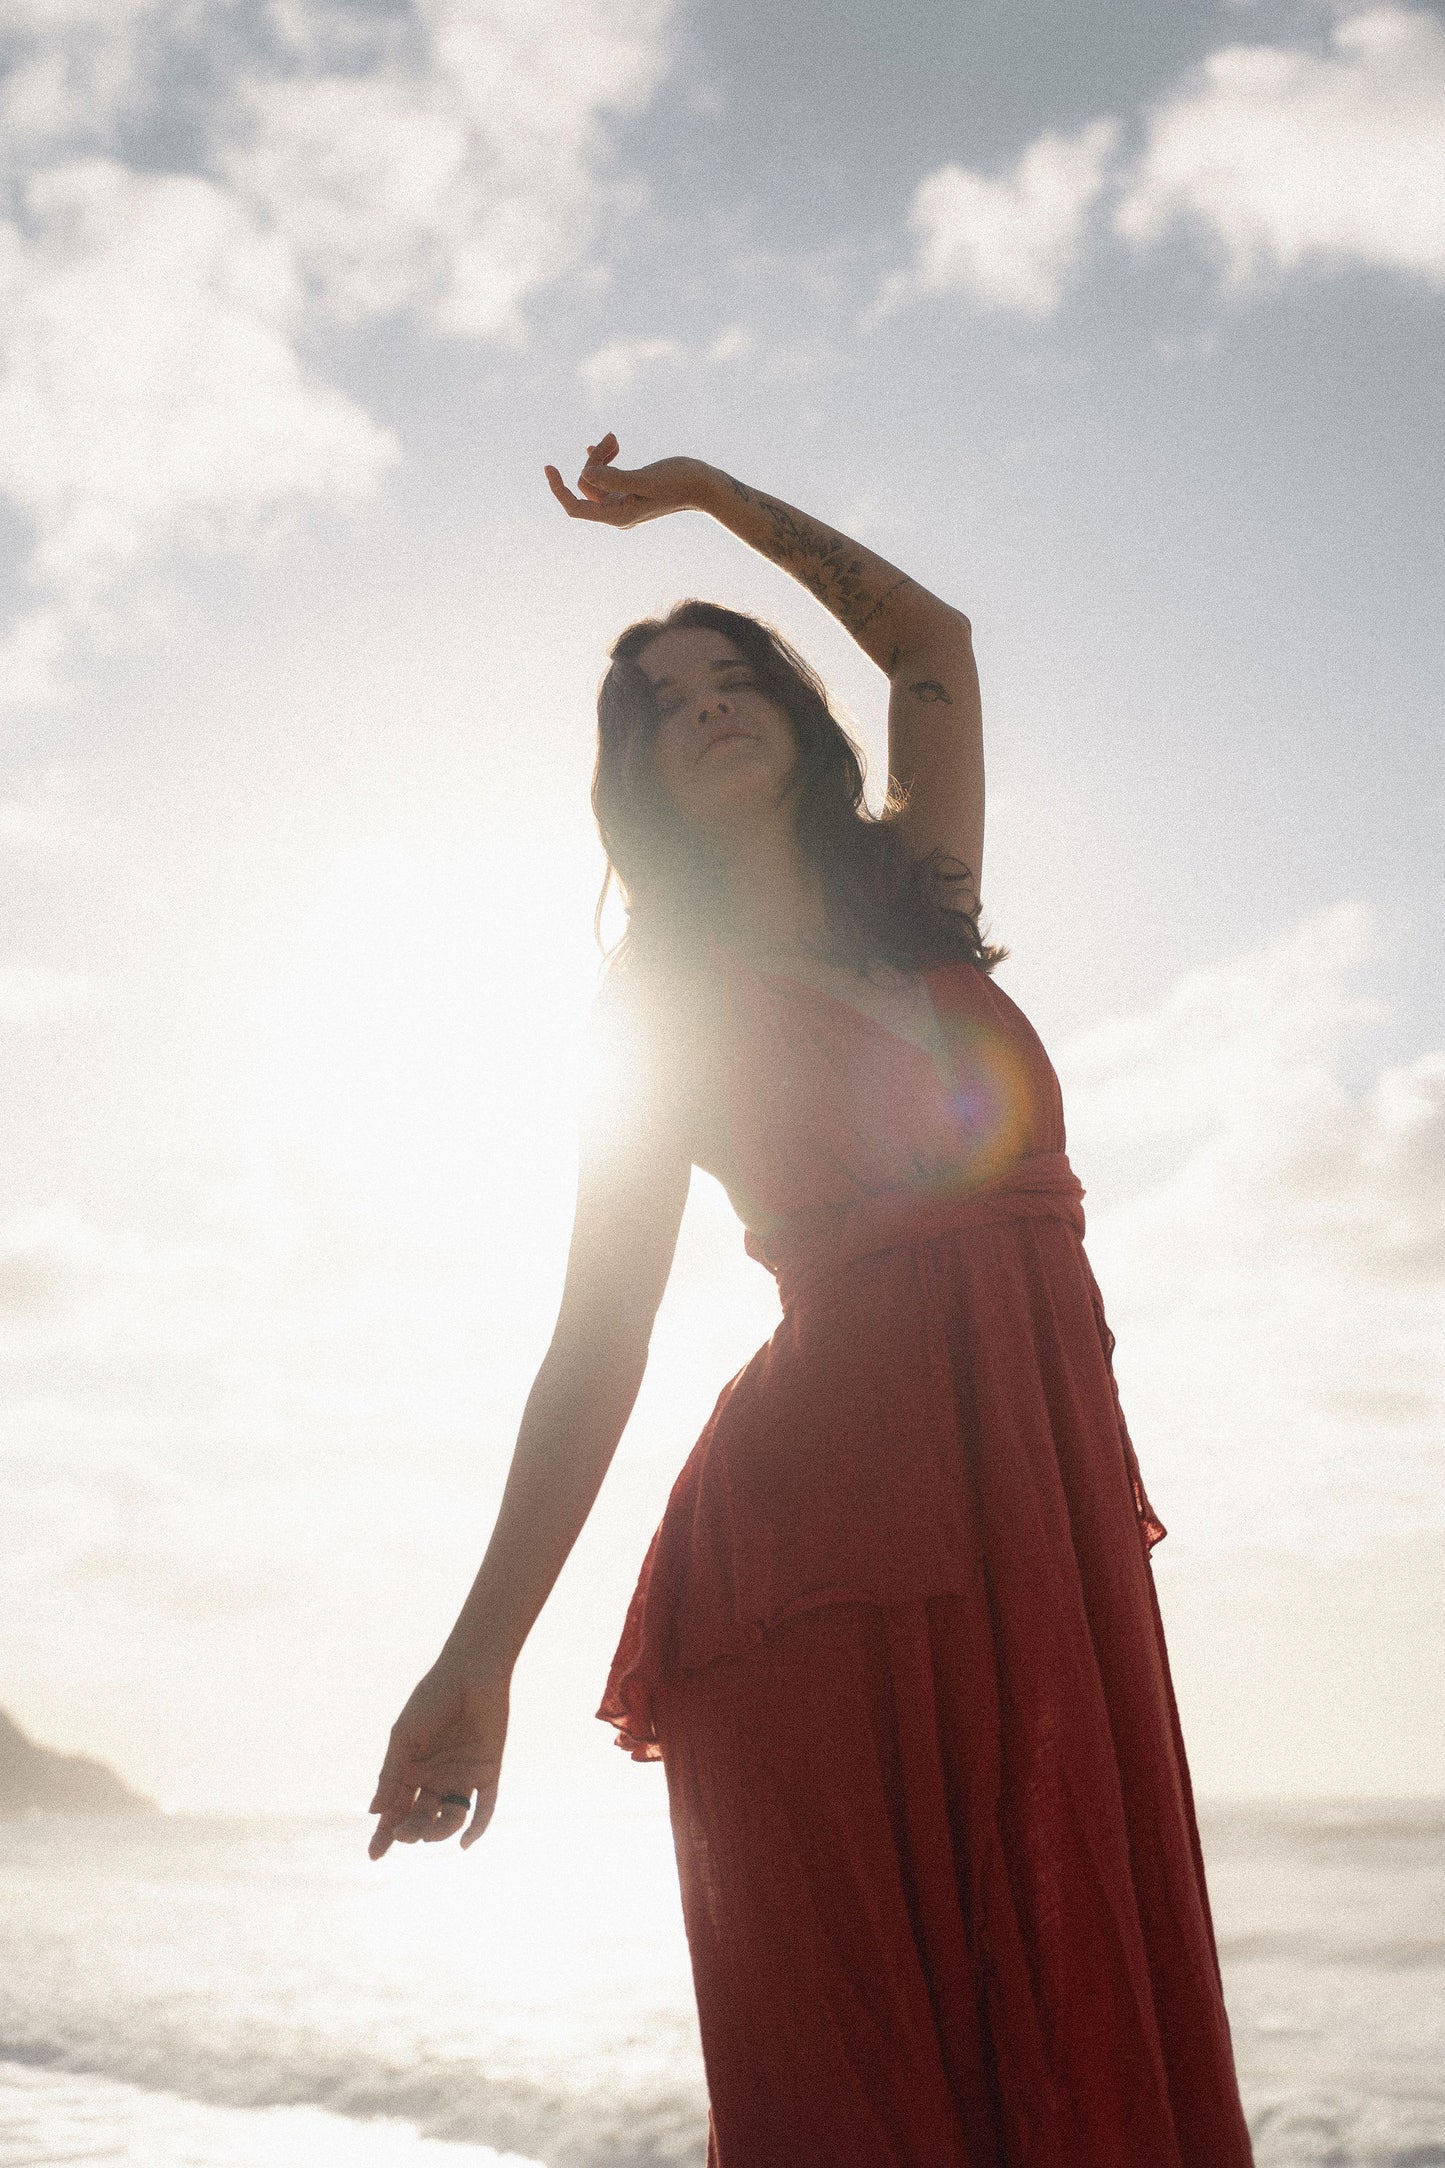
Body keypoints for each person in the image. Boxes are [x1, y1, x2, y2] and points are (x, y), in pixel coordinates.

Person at [367, 436, 1256, 2167]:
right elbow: (596, 1343)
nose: (704, 701)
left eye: (733, 671)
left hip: (1034, 1531)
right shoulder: (655, 1017)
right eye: (659, 699)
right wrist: (478, 1658)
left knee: (1071, 2010)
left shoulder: (922, 899)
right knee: (869, 2093)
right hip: (815, 1565)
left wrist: (712, 503)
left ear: (791, 704)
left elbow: (932, 645)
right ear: (628, 777)